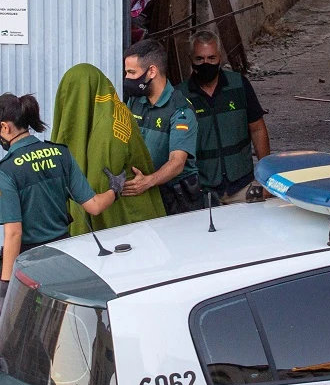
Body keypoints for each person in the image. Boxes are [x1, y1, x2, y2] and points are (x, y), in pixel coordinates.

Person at [0, 92, 122, 308]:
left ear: (5, 127)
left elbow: (13, 233)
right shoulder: (60, 154)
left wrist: (5, 288)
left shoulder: (5, 171)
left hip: (29, 266)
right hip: (62, 257)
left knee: (20, 336)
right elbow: (94, 206)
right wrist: (115, 188)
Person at [51, 63, 166, 236]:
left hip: (122, 223)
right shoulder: (117, 113)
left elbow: (102, 179)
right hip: (133, 218)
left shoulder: (110, 126)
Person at [178, 30, 271, 205]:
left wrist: (267, 176)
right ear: (191, 58)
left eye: (211, 58)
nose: (206, 63)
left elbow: (257, 129)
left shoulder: (239, 86)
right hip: (203, 192)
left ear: (220, 57)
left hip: (243, 186)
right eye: (200, 59)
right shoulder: (180, 97)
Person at [123, 39, 203, 215]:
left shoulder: (180, 110)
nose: (127, 79)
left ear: (151, 71)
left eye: (131, 72)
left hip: (178, 199)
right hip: (148, 195)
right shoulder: (135, 101)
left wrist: (147, 181)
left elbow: (177, 162)